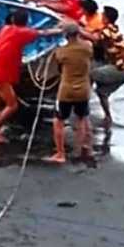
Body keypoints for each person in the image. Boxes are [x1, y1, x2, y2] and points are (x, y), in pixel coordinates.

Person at [0, 9, 61, 144]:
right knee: (12, 105)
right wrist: (61, 29)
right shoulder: (23, 32)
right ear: (26, 22)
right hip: (1, 75)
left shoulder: (4, 29)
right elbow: (44, 33)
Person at [82, 6, 124, 143]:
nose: (100, 16)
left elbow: (93, 37)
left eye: (102, 15)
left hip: (123, 68)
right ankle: (108, 117)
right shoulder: (112, 28)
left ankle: (82, 107)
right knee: (101, 92)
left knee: (90, 74)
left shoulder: (107, 31)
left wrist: (75, 30)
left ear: (105, 18)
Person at [45, 23, 94, 164]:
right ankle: (80, 148)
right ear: (79, 33)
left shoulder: (61, 52)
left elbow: (58, 66)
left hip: (66, 91)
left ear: (65, 35)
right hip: (84, 90)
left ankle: (60, 154)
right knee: (82, 119)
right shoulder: (88, 48)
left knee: (58, 121)